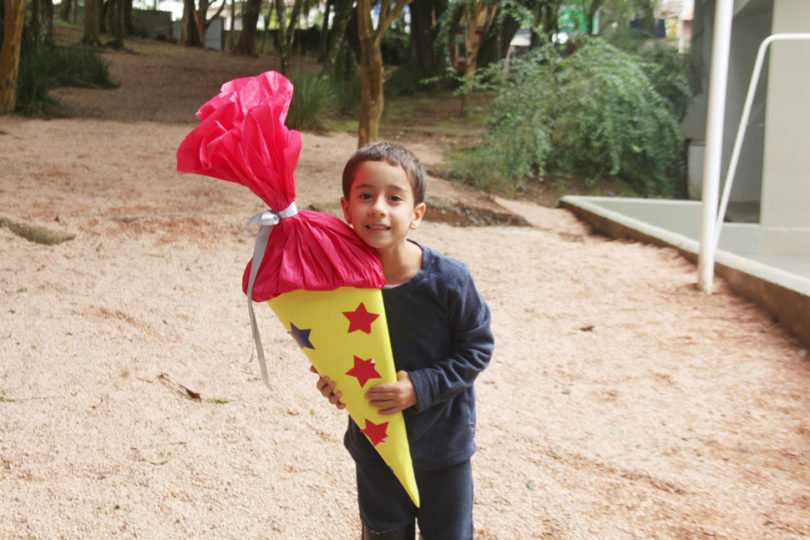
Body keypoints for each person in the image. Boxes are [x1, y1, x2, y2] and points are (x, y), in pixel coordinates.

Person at [311, 141, 494, 540]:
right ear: (346, 208)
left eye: (394, 198)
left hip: (443, 449)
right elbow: (334, 353)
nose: (378, 207)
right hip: (375, 448)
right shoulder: (338, 286)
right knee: (382, 533)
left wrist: (420, 386)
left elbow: (478, 348)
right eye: (365, 195)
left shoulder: (449, 281)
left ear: (416, 214)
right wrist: (333, 384)